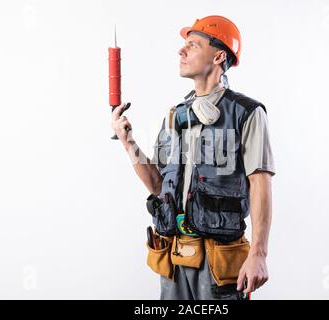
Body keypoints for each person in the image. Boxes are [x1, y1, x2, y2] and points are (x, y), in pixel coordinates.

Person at [111, 15, 275, 300]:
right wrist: (128, 142)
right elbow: (159, 186)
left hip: (219, 262)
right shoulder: (175, 115)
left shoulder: (247, 113)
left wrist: (259, 253)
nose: (181, 51)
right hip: (174, 258)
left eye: (193, 45)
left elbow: (260, 182)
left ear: (219, 55)